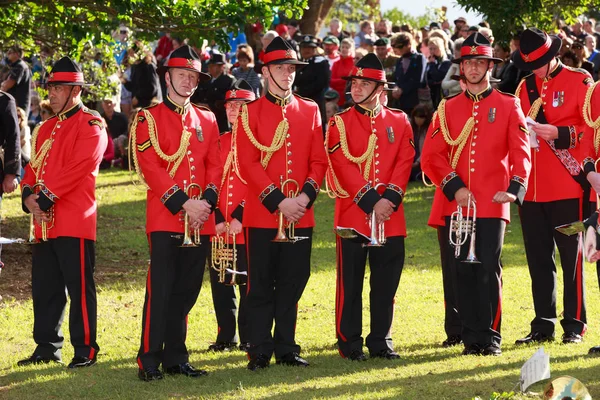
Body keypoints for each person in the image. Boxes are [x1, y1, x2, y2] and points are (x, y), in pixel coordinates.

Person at [421, 32, 531, 356]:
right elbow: (431, 156)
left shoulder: (508, 104)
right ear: (461, 67)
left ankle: (491, 337)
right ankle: (472, 339)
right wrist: (454, 188)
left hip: (493, 202)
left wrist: (515, 188)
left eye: (479, 62)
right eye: (468, 62)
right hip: (457, 204)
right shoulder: (447, 107)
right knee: (462, 271)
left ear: (489, 66)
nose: (473, 68)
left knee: (488, 269)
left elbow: (521, 151)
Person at [235, 36, 327, 371]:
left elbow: (319, 161)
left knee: (293, 281)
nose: (287, 73)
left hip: (301, 214)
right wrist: (279, 202)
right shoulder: (250, 112)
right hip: (262, 215)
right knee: (259, 283)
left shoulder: (311, 109)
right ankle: (259, 348)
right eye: (280, 67)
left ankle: (287, 346)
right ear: (264, 71)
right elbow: (248, 163)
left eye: (290, 68)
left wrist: (302, 198)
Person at [130, 45, 221, 381]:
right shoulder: (148, 118)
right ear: (167, 77)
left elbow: (215, 163)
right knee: (161, 290)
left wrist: (205, 204)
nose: (188, 81)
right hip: (168, 216)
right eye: (182, 74)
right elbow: (150, 167)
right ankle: (149, 358)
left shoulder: (207, 118)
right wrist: (185, 203)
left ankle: (176, 357)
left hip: (200, 219)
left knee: (187, 290)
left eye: (193, 76)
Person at [17, 57, 107, 368]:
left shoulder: (91, 123)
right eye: (51, 87)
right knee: (45, 288)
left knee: (80, 289)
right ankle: (46, 347)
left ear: (76, 90)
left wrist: (42, 200)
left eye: (58, 88)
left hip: (74, 220)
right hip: (43, 224)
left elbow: (79, 168)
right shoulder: (45, 128)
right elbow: (31, 170)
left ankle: (85, 350)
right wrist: (28, 197)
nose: (51, 93)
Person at [325, 53, 415, 361]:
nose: (356, 88)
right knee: (350, 284)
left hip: (391, 215)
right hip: (353, 214)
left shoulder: (400, 120)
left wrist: (388, 200)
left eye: (365, 84)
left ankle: (381, 341)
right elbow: (340, 164)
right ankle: (349, 343)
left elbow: (405, 162)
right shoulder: (338, 122)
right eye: (354, 83)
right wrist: (371, 201)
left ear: (380, 89)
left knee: (385, 283)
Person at [512, 28, 591, 346]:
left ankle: (574, 325)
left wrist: (557, 133)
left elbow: (591, 128)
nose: (536, 69)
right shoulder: (523, 86)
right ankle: (542, 324)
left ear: (553, 55)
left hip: (568, 185)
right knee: (538, 259)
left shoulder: (580, 81)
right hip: (532, 188)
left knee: (570, 259)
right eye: (531, 64)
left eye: (541, 62)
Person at [207, 79, 255, 352]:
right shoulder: (218, 142)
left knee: (248, 281)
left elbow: (260, 183)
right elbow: (206, 181)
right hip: (218, 223)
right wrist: (216, 218)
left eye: (242, 105)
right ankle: (226, 335)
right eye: (231, 105)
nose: (235, 109)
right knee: (221, 281)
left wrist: (239, 215)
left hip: (246, 224)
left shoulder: (261, 144)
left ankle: (248, 335)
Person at [294, 35, 331, 134]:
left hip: (315, 102)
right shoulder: (299, 64)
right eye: (304, 48)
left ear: (315, 49)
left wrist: (300, 93)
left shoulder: (321, 63)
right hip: (300, 104)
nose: (306, 50)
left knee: (317, 131)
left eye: (310, 48)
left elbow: (321, 83)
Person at [192, 52, 235, 133]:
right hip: (202, 118)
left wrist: (210, 106)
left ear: (221, 67)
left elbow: (228, 101)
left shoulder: (229, 81)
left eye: (213, 66)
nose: (209, 68)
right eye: (209, 65)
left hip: (220, 121)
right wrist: (197, 104)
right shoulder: (205, 79)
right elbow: (196, 94)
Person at [391, 32, 427, 115]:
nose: (396, 49)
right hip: (401, 102)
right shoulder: (399, 60)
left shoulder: (419, 58)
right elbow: (396, 78)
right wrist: (395, 88)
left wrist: (402, 89)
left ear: (408, 45)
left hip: (415, 101)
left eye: (399, 46)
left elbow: (418, 79)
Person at [1, 44, 32, 115]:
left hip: (18, 109)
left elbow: (6, 86)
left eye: (11, 51)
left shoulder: (20, 66)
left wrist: (3, 84)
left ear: (17, 54)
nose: (8, 53)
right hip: (13, 107)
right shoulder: (13, 66)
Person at [426, 37, 451, 108]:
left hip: (441, 95)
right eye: (430, 49)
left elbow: (437, 77)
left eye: (435, 48)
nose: (432, 51)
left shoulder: (446, 63)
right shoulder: (429, 62)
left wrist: (432, 64)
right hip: (430, 95)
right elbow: (425, 79)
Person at [330, 38, 355, 107]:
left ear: (352, 49)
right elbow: (331, 82)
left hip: (350, 99)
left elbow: (353, 82)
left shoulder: (354, 64)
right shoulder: (336, 64)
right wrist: (345, 80)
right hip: (336, 98)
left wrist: (340, 81)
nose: (344, 49)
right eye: (342, 47)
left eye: (347, 47)